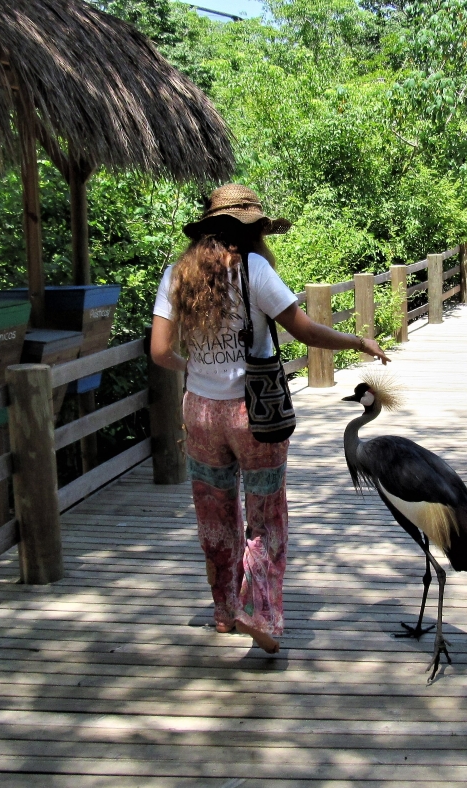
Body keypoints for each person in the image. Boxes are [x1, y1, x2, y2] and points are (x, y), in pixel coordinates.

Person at [150, 184, 389, 654]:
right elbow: (302, 330)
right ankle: (258, 613)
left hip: (199, 413)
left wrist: (196, 371)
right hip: (255, 414)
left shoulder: (177, 274)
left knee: (214, 517)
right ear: (253, 228)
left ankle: (223, 613)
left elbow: (160, 351)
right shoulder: (254, 269)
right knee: (265, 517)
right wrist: (359, 343)